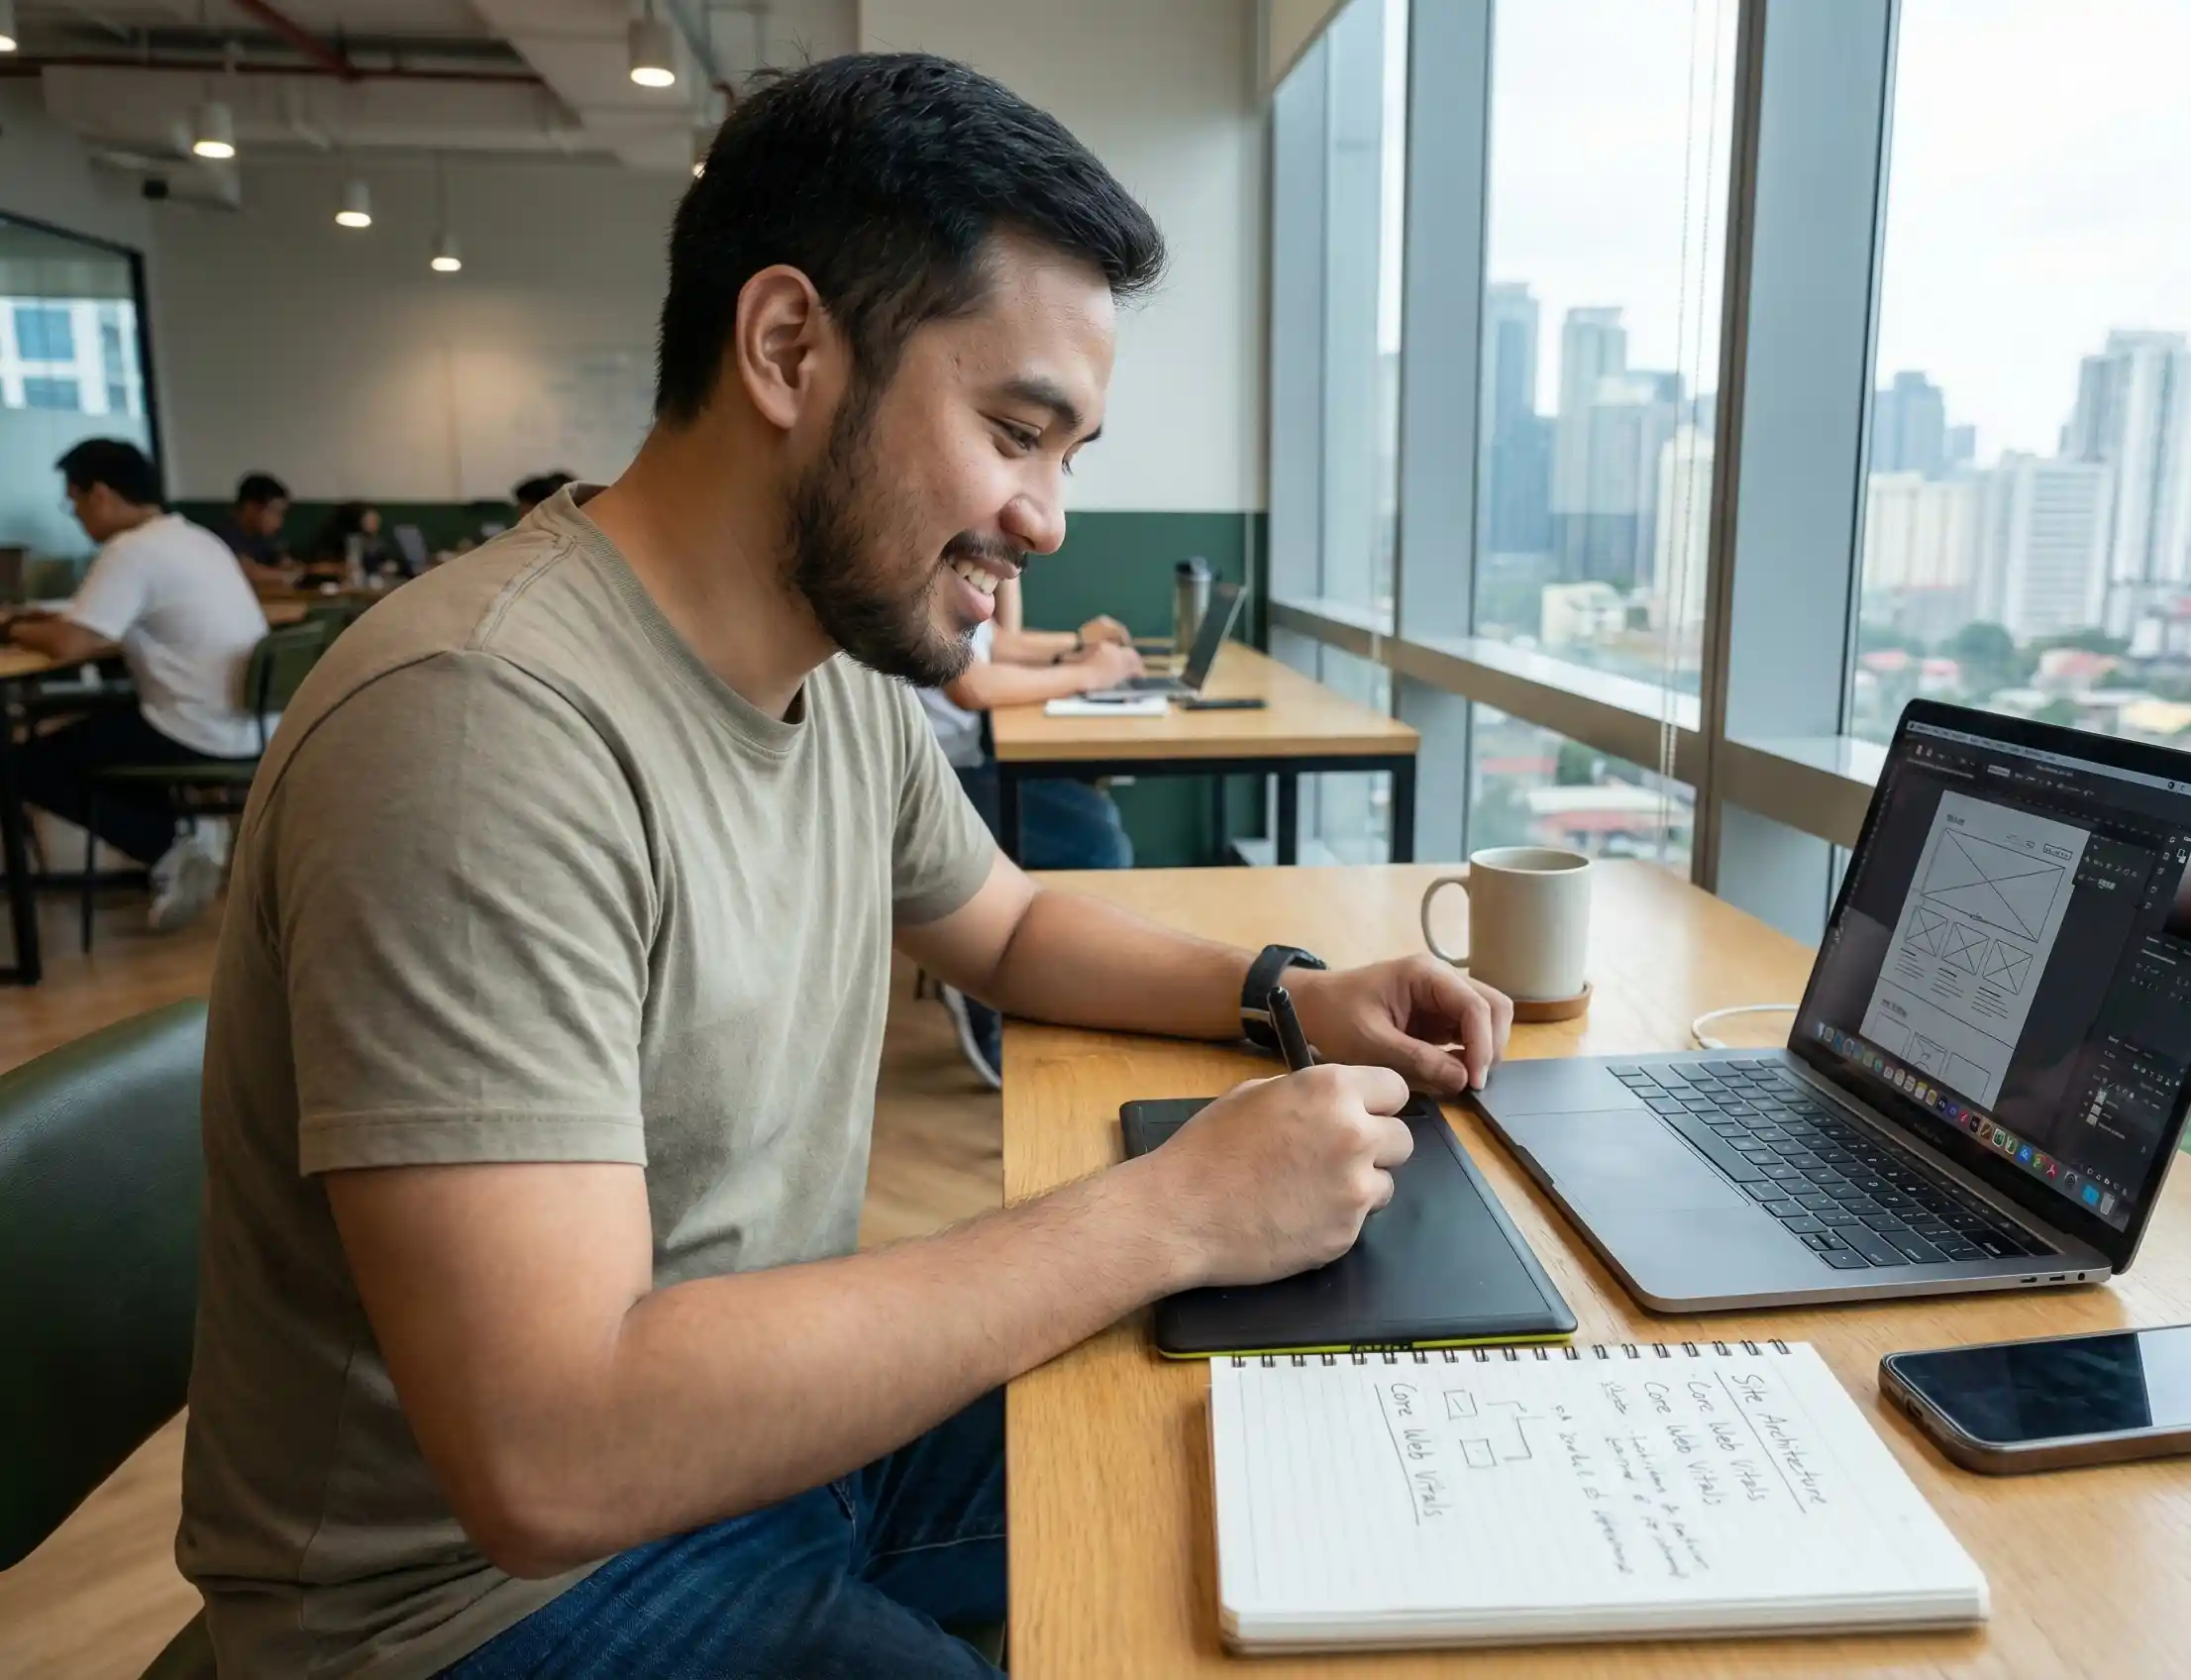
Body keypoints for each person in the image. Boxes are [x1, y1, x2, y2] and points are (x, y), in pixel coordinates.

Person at [177, 52, 1513, 1680]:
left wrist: (1287, 995)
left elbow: (1005, 925)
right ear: (788, 347)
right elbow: (552, 1450)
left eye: (1071, 452)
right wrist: (1165, 1211)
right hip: (479, 1603)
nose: (1042, 518)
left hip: (760, 1455)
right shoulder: (475, 728)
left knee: (1271, 1438)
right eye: (1017, 431)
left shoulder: (825, 676)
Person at [8, 439, 271, 929]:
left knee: (25, 763)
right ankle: (175, 840)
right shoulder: (192, 538)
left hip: (194, 727)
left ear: (101, 495)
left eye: (74, 502)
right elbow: (92, 624)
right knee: (97, 737)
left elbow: (72, 644)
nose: (76, 515)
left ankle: (166, 846)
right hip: (247, 723)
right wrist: (52, 621)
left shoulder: (131, 550)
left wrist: (13, 628)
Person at [917, 573, 1142, 1085]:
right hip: (941, 774)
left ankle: (1004, 955)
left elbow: (997, 643)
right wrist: (1088, 673)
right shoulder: (931, 554)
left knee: (1094, 819)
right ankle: (973, 952)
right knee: (1099, 842)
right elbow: (974, 685)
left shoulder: (962, 563)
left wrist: (1083, 649)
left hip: (966, 758)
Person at [210, 472, 296, 589]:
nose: (279, 522)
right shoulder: (225, 535)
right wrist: (290, 576)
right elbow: (249, 572)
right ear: (250, 508)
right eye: (274, 512)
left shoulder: (261, 537)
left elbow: (285, 563)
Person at [303, 498, 381, 582]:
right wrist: (339, 569)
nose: (376, 523)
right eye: (370, 519)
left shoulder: (372, 542)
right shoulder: (333, 538)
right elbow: (313, 569)